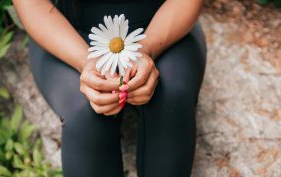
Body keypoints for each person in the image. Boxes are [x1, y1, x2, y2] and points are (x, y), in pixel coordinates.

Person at [13, 0, 207, 176]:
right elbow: (32, 5)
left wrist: (147, 47)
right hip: (66, 31)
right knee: (85, 113)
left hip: (162, 22)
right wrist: (85, 61)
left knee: (170, 98)